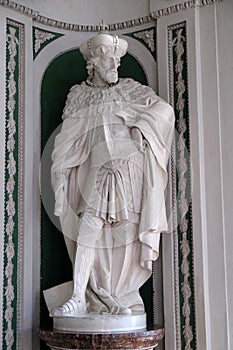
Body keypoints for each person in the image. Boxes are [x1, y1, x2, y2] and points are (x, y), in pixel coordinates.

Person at [50, 32, 174, 317]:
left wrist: (140, 125)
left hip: (129, 174)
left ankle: (121, 295)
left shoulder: (131, 90)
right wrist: (59, 183)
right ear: (93, 63)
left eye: (118, 62)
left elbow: (164, 111)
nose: (115, 67)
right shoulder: (80, 97)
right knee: (88, 230)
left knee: (127, 237)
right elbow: (65, 144)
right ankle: (80, 296)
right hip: (98, 172)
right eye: (109, 61)